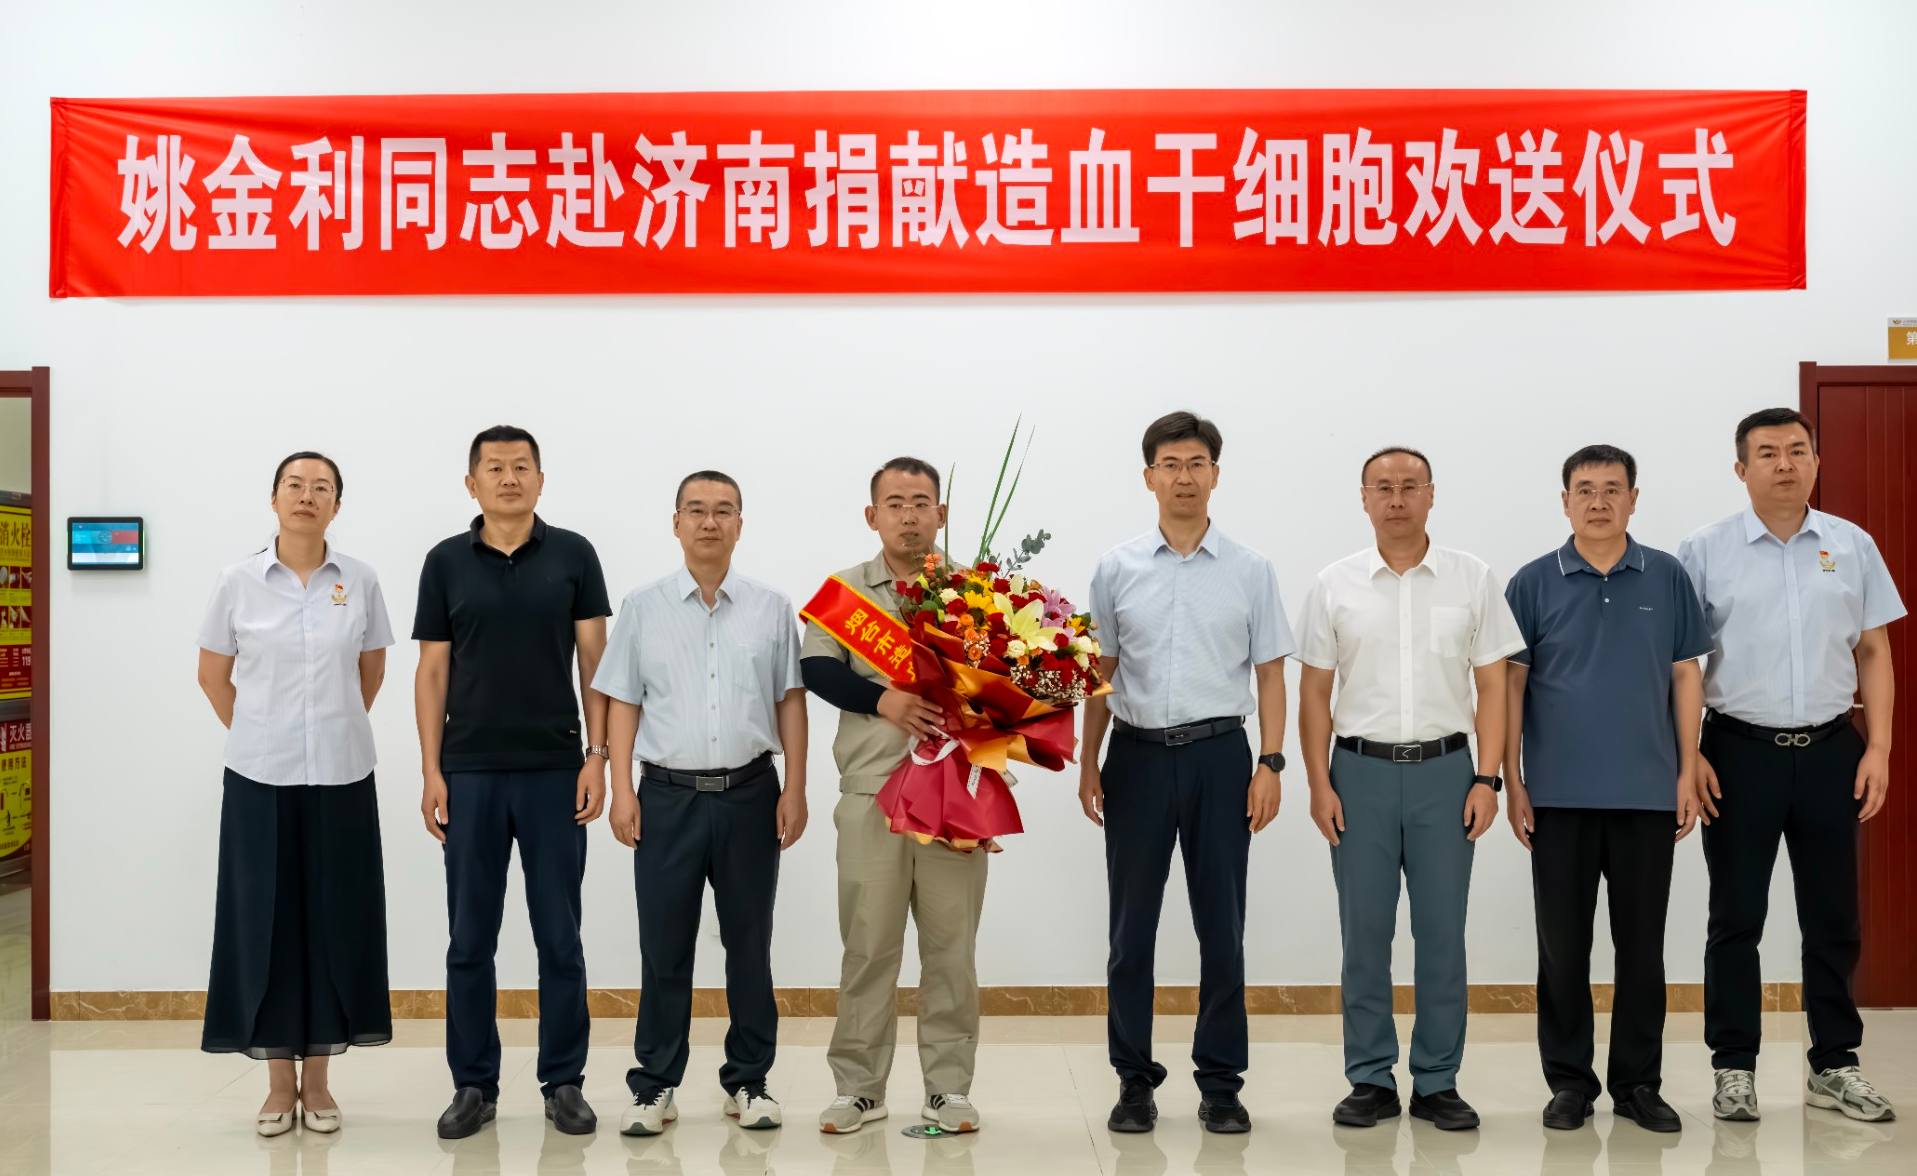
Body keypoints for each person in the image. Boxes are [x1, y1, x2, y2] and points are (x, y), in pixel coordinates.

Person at [1678, 407, 1905, 1124]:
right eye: (1768, 452)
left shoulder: (1851, 544)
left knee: (1833, 916)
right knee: (1735, 917)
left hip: (1833, 752)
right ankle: (1733, 1066)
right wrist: (1688, 755)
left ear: (1815, 462)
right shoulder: (1704, 550)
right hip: (1736, 754)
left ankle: (1834, 1064)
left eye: (1798, 450)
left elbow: (1873, 650)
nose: (1785, 463)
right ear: (1740, 468)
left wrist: (1878, 748)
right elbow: (1682, 664)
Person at [1296, 446, 1523, 1132]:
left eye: (1409, 486)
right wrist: (1318, 783)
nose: (1396, 499)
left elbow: (1492, 686)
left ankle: (1437, 1080)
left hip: (1446, 774)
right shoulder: (1333, 584)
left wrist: (1487, 778)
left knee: (1441, 934)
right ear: (1364, 499)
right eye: (1383, 488)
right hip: (1357, 774)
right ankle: (1369, 1077)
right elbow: (1314, 693)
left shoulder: (1472, 578)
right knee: (1363, 934)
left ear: (1431, 494)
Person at [1079, 411, 1294, 1136]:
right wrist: (1088, 762)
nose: (1183, 476)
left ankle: (1221, 1083)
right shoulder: (1116, 568)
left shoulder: (1250, 569)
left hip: (1219, 758)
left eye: (1196, 463)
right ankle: (1132, 1080)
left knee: (1221, 928)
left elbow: (1270, 674)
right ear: (1149, 477)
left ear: (1215, 475)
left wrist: (1270, 762)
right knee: (1129, 931)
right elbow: (1100, 673)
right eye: (1169, 464)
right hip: (1135, 758)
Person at [1503, 444, 1710, 1134]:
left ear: (1633, 498)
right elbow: (1511, 686)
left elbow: (1685, 675)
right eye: (1584, 489)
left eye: (1612, 488)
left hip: (1646, 794)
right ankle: (1569, 1083)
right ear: (1564, 501)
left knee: (1641, 949)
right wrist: (1512, 780)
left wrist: (1687, 768)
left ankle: (1637, 1084)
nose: (1598, 501)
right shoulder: (1532, 582)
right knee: (1562, 950)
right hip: (1556, 797)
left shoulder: (1666, 575)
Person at [595, 470, 809, 1136]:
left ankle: (749, 1081)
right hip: (666, 798)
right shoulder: (642, 606)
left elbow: (789, 701)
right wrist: (621, 789)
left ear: (740, 523)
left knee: (750, 945)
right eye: (696, 510)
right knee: (664, 948)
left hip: (750, 795)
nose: (709, 522)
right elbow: (623, 701)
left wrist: (796, 786)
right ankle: (654, 1084)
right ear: (676, 523)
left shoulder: (771, 607)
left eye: (723, 511)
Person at [414, 425, 611, 1139]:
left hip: (555, 771)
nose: (508, 478)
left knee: (560, 937)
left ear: (540, 479)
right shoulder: (444, 561)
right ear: (471, 484)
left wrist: (598, 757)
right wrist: (431, 770)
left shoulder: (573, 554)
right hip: (469, 774)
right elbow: (432, 671)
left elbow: (596, 663)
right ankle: (473, 1084)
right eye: (493, 468)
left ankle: (564, 1082)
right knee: (469, 939)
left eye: (521, 466)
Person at [196, 451, 393, 1137]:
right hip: (259, 779)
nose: (307, 496)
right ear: (274, 499)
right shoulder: (237, 582)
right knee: (267, 924)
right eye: (295, 485)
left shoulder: (360, 580)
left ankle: (320, 1081)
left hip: (343, 775)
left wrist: (329, 728)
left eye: (322, 488)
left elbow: (371, 670)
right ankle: (279, 1083)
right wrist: (262, 731)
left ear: (336, 505)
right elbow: (213, 676)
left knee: (335, 921)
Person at [801, 457, 988, 1136]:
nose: (909, 515)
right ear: (872, 515)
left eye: (921, 502)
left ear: (941, 513)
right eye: (895, 503)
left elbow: (1006, 689)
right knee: (868, 948)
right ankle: (858, 1089)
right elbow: (816, 669)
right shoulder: (844, 594)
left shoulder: (976, 592)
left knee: (951, 950)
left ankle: (948, 1089)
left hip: (952, 800)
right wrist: (885, 701)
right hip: (872, 793)